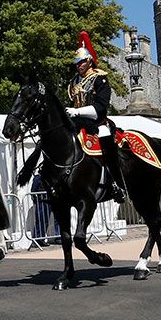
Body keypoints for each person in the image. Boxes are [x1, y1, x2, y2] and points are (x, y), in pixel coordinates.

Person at [64, 31, 125, 201]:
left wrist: (76, 111)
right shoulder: (74, 82)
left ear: (89, 61)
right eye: (76, 63)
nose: (78, 65)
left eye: (81, 62)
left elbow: (100, 107)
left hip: (97, 122)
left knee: (106, 141)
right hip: (77, 123)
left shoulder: (100, 78)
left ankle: (116, 184)